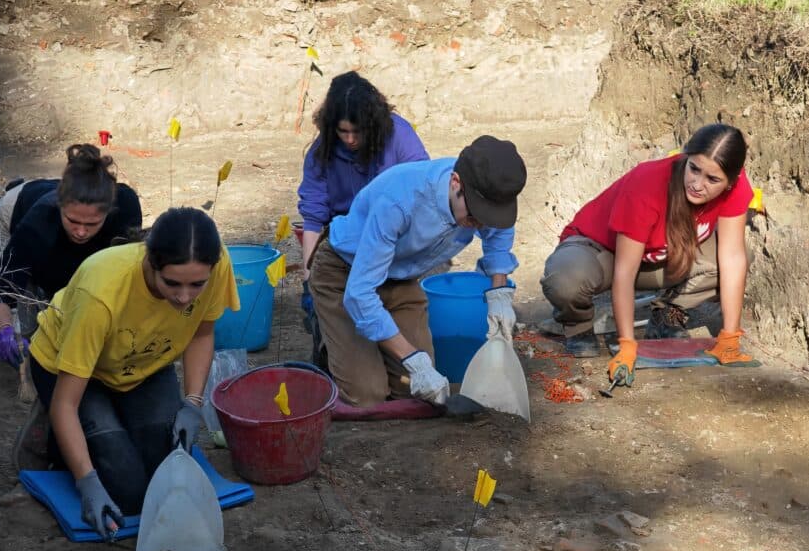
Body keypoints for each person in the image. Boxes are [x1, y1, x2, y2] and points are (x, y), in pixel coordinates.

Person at [23, 207, 239, 540]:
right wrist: (87, 482)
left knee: (165, 478)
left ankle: (111, 423)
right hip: (76, 372)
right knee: (127, 494)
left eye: (197, 285)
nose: (184, 297)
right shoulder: (101, 293)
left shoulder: (216, 263)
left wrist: (192, 404)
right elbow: (66, 404)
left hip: (143, 363)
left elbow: (201, 333)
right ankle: (53, 439)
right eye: (172, 283)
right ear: (150, 262)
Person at [308, 135, 526, 410]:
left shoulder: (487, 190)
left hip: (398, 277)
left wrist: (499, 295)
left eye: (490, 216)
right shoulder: (400, 201)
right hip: (345, 275)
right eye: (476, 215)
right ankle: (330, 338)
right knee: (367, 395)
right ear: (455, 182)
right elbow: (360, 294)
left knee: (412, 392)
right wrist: (415, 361)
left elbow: (499, 235)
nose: (482, 224)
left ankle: (370, 347)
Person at [540, 123, 756, 388]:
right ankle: (578, 325)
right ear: (686, 156)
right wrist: (627, 345)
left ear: (730, 182)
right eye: (694, 169)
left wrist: (729, 338)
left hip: (659, 256)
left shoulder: (736, 187)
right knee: (566, 280)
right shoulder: (647, 184)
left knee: (738, 259)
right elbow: (624, 271)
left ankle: (666, 314)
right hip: (603, 253)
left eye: (712, 180)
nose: (698, 184)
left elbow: (732, 257)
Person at [297, 71, 429, 363]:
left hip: (394, 244)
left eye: (358, 132)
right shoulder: (322, 151)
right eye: (342, 132)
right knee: (344, 348)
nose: (350, 140)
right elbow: (313, 219)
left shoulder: (400, 136)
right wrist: (308, 280)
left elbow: (422, 190)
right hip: (343, 246)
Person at [0, 144, 142, 367]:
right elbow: (0, 291)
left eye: (92, 223)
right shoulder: (39, 222)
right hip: (12, 213)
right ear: (60, 207)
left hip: (54, 228)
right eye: (73, 221)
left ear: (109, 212)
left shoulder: (125, 208)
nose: (81, 231)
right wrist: (4, 331)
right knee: (23, 325)